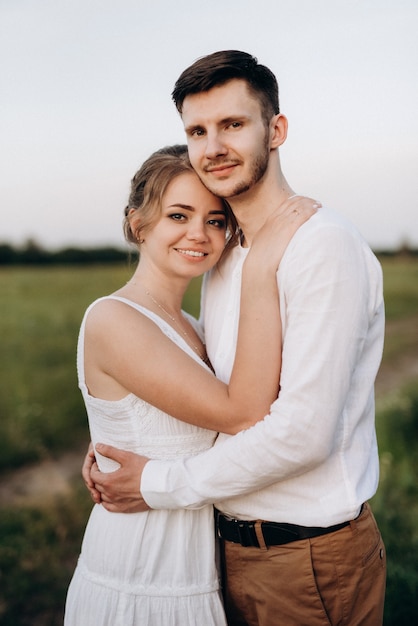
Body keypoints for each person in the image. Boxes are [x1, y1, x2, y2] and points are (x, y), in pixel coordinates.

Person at [84, 51, 387, 625]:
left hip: (306, 554)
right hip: (223, 551)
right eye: (197, 131)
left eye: (232, 124)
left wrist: (157, 481)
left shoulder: (320, 246)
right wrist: (116, 440)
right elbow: (216, 394)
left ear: (276, 130)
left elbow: (301, 432)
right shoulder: (225, 256)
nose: (213, 146)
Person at [65, 144, 317, 625]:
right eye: (178, 215)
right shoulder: (113, 318)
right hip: (140, 568)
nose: (199, 234)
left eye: (216, 220)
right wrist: (263, 266)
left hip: (197, 564)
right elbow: (242, 413)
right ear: (138, 223)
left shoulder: (194, 326)